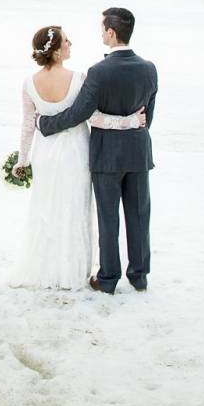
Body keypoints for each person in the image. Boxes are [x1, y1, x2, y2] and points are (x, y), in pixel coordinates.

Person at [10, 24, 147, 290]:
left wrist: (22, 160)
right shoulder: (79, 78)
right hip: (76, 150)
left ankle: (44, 268)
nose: (70, 43)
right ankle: (71, 272)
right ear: (57, 52)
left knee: (46, 207)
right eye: (66, 41)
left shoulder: (29, 83)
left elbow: (28, 124)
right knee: (74, 208)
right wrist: (130, 121)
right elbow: (92, 116)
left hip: (45, 153)